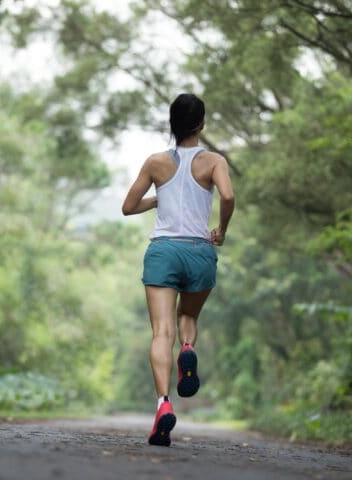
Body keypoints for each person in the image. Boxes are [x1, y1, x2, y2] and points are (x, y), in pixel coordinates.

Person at [122, 93, 234, 447]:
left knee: (160, 332)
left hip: (164, 252)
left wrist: (159, 195)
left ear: (172, 123)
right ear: (201, 124)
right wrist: (222, 230)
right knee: (189, 318)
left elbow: (128, 206)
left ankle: (163, 405)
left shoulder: (156, 162)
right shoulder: (214, 161)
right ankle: (189, 347)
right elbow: (228, 197)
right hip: (200, 250)